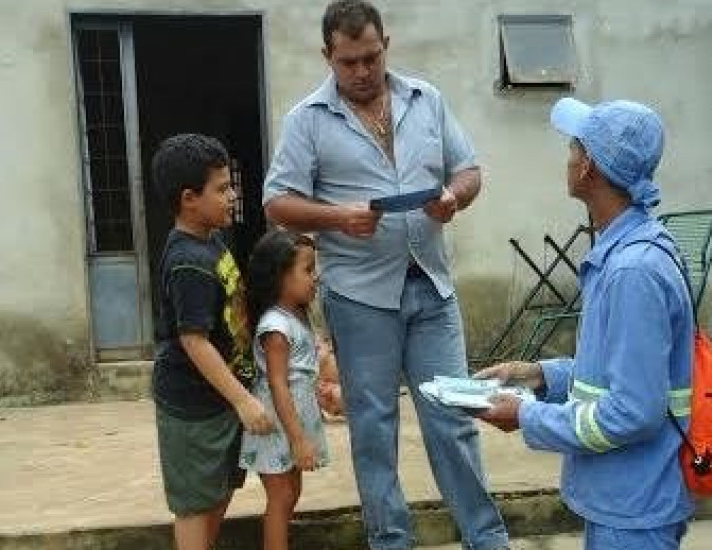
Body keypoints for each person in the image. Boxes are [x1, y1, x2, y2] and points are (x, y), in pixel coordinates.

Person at [261, 2, 510, 549]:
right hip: (359, 297)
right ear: (328, 56)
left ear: (385, 45)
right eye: (348, 62)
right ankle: (391, 543)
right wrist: (337, 217)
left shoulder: (427, 100)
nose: (362, 71)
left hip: (432, 286)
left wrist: (452, 197)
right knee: (375, 431)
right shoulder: (307, 120)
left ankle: (486, 541)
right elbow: (276, 203)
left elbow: (469, 170)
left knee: (456, 417)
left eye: (370, 57)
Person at [476, 98, 695, 550]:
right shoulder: (625, 252)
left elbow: (633, 410)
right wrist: (536, 375)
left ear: (588, 166)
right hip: (622, 500)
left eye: (574, 146)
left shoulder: (632, 271)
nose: (568, 157)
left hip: (634, 509)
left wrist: (527, 416)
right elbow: (614, 372)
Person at [150, 133, 273, 550]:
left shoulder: (210, 241)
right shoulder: (189, 262)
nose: (232, 195)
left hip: (217, 399)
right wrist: (242, 399)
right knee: (193, 505)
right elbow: (194, 340)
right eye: (222, 189)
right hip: (192, 407)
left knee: (218, 490)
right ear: (189, 198)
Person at [239, 229, 330, 550]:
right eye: (307, 270)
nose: (314, 277)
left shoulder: (296, 316)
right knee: (281, 498)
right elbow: (278, 385)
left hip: (294, 423)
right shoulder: (275, 327)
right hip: (279, 427)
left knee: (291, 494)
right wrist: (297, 439)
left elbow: (304, 372)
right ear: (280, 275)